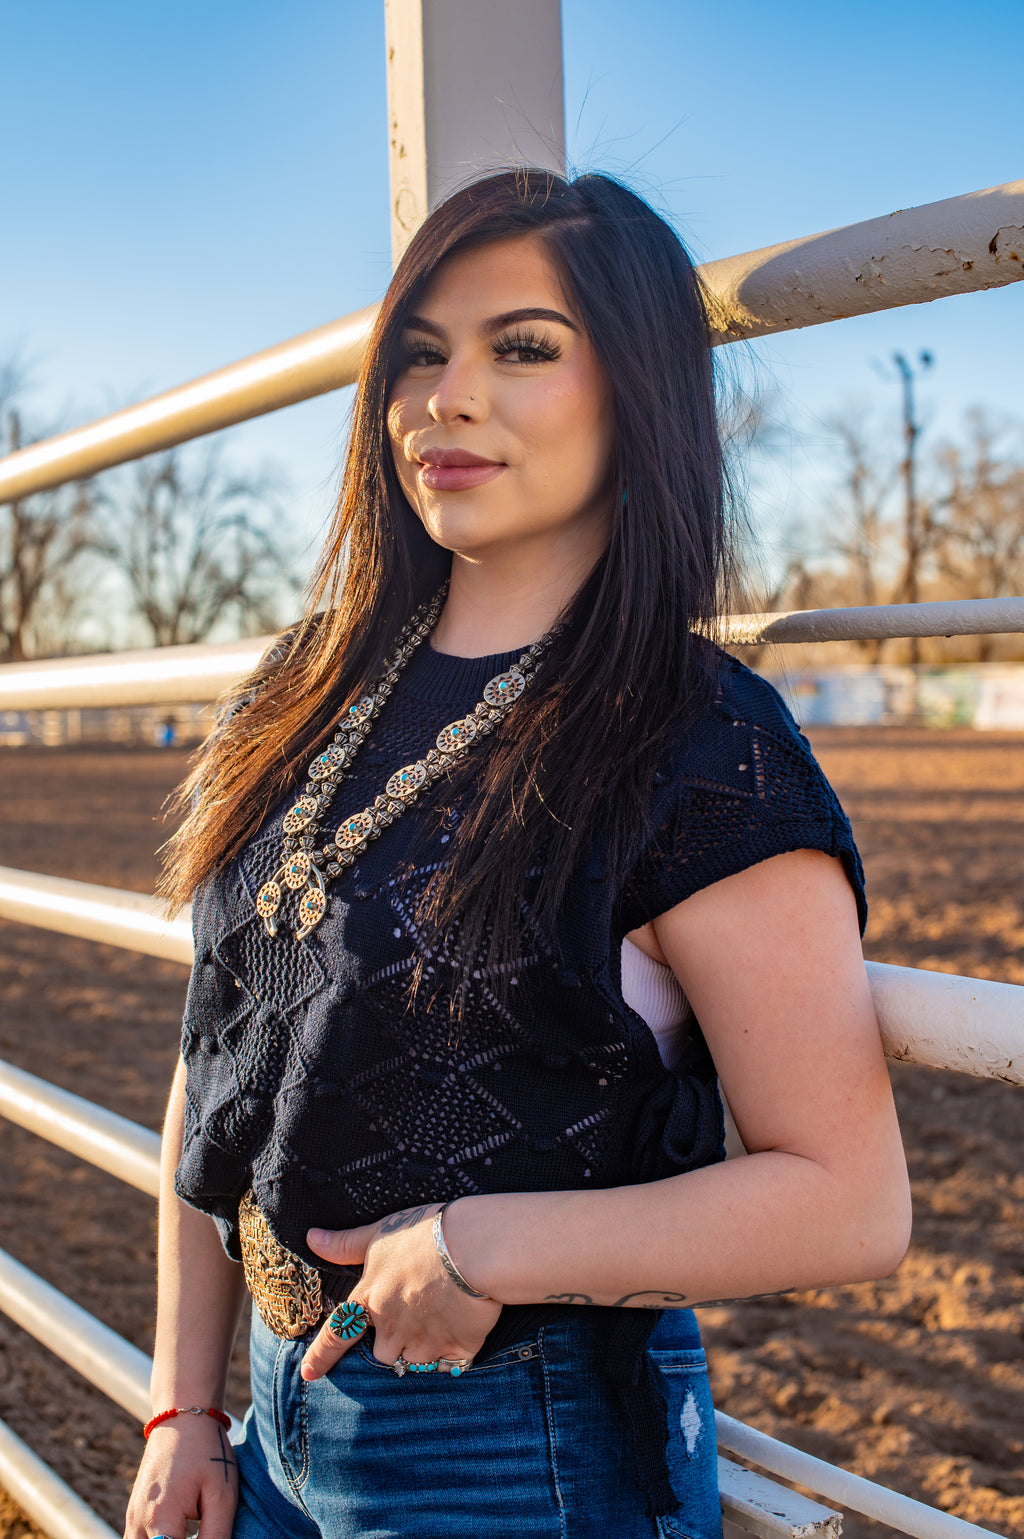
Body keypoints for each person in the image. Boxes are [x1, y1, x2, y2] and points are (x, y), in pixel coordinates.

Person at [124, 168, 911, 1539]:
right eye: (418, 354)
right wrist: (182, 1407)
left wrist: (498, 1242)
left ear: (640, 390)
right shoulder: (298, 688)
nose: (447, 396)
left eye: (523, 348)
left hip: (515, 1439)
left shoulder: (694, 741)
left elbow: (850, 1202)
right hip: (267, 1420)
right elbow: (223, 1067)